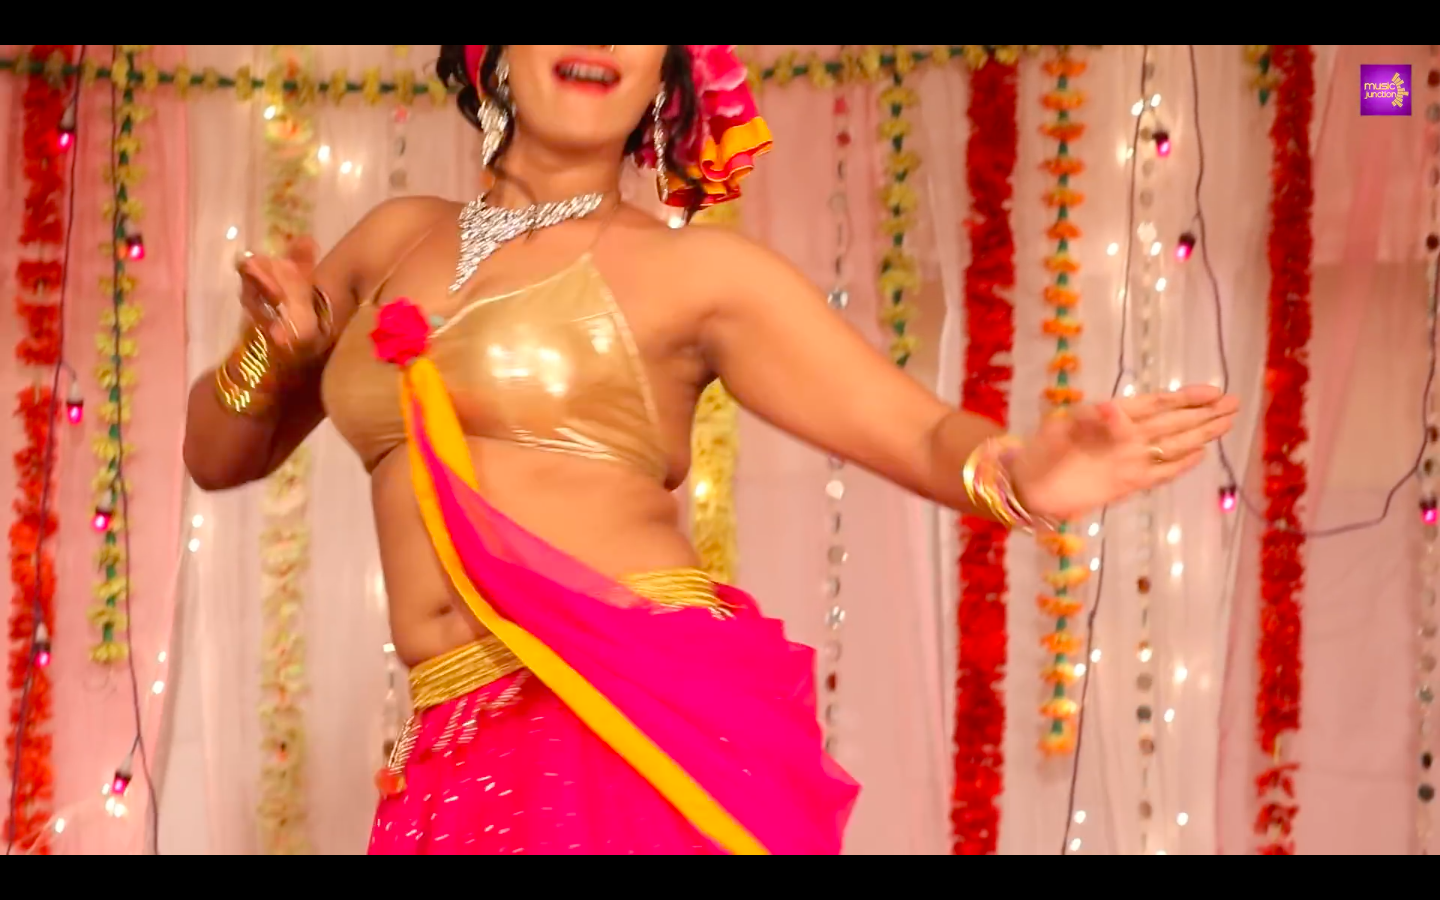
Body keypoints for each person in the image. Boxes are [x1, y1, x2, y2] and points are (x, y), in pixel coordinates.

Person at [182, 44, 1238, 856]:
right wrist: (272, 354)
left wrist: (1022, 474)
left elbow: (919, 429)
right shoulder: (394, 238)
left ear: (670, 75)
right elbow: (217, 457)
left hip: (621, 718)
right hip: (451, 734)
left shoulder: (694, 275)